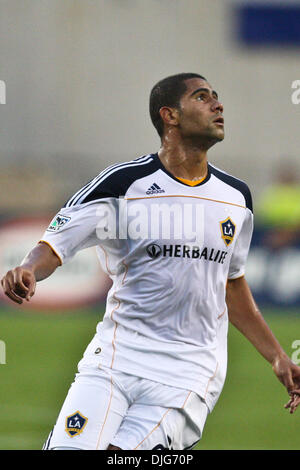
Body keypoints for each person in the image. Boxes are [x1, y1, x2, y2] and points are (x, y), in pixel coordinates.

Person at [2, 73, 300, 451]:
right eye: (203, 97)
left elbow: (230, 283)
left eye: (217, 97)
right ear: (169, 116)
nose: (218, 105)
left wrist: (277, 358)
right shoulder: (123, 185)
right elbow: (55, 244)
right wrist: (28, 268)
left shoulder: (235, 198)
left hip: (189, 373)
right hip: (114, 360)